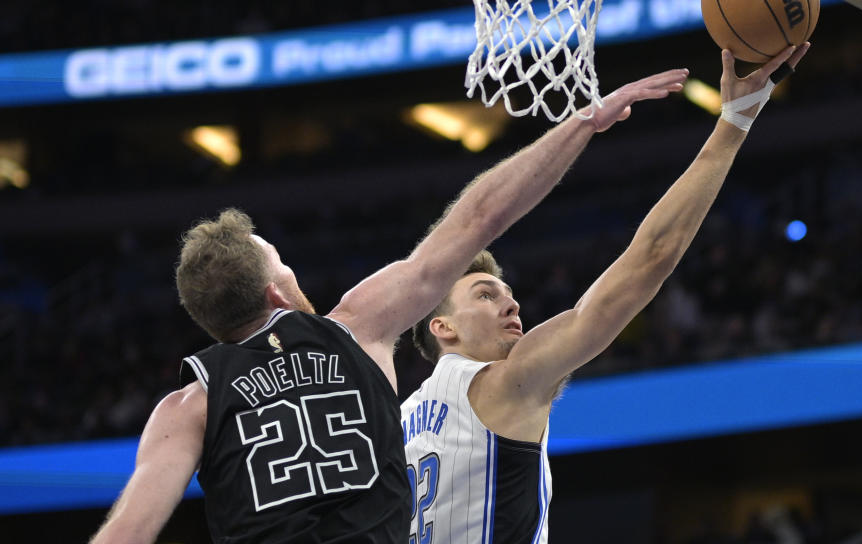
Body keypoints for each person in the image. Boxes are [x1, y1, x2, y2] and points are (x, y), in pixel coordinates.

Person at [88, 67, 690, 544]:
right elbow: (479, 218)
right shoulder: (357, 327)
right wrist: (584, 122)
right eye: (284, 262)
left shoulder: (188, 404)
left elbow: (128, 533)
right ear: (277, 291)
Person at [402, 44, 811, 544]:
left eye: (506, 293)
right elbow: (651, 257)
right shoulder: (505, 383)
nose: (511, 304)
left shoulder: (393, 427)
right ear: (441, 325)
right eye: (486, 295)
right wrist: (735, 122)